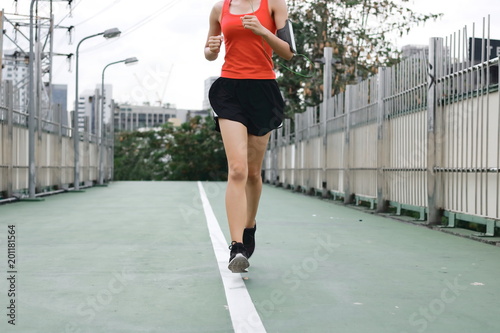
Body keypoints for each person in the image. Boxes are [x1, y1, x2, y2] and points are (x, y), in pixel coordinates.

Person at [204, 0, 294, 273]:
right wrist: (210, 49)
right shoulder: (220, 9)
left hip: (263, 91)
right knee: (238, 170)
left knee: (253, 173)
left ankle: (249, 225)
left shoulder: (274, 4)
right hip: (229, 90)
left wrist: (263, 32)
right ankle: (237, 246)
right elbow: (209, 52)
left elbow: (289, 52)